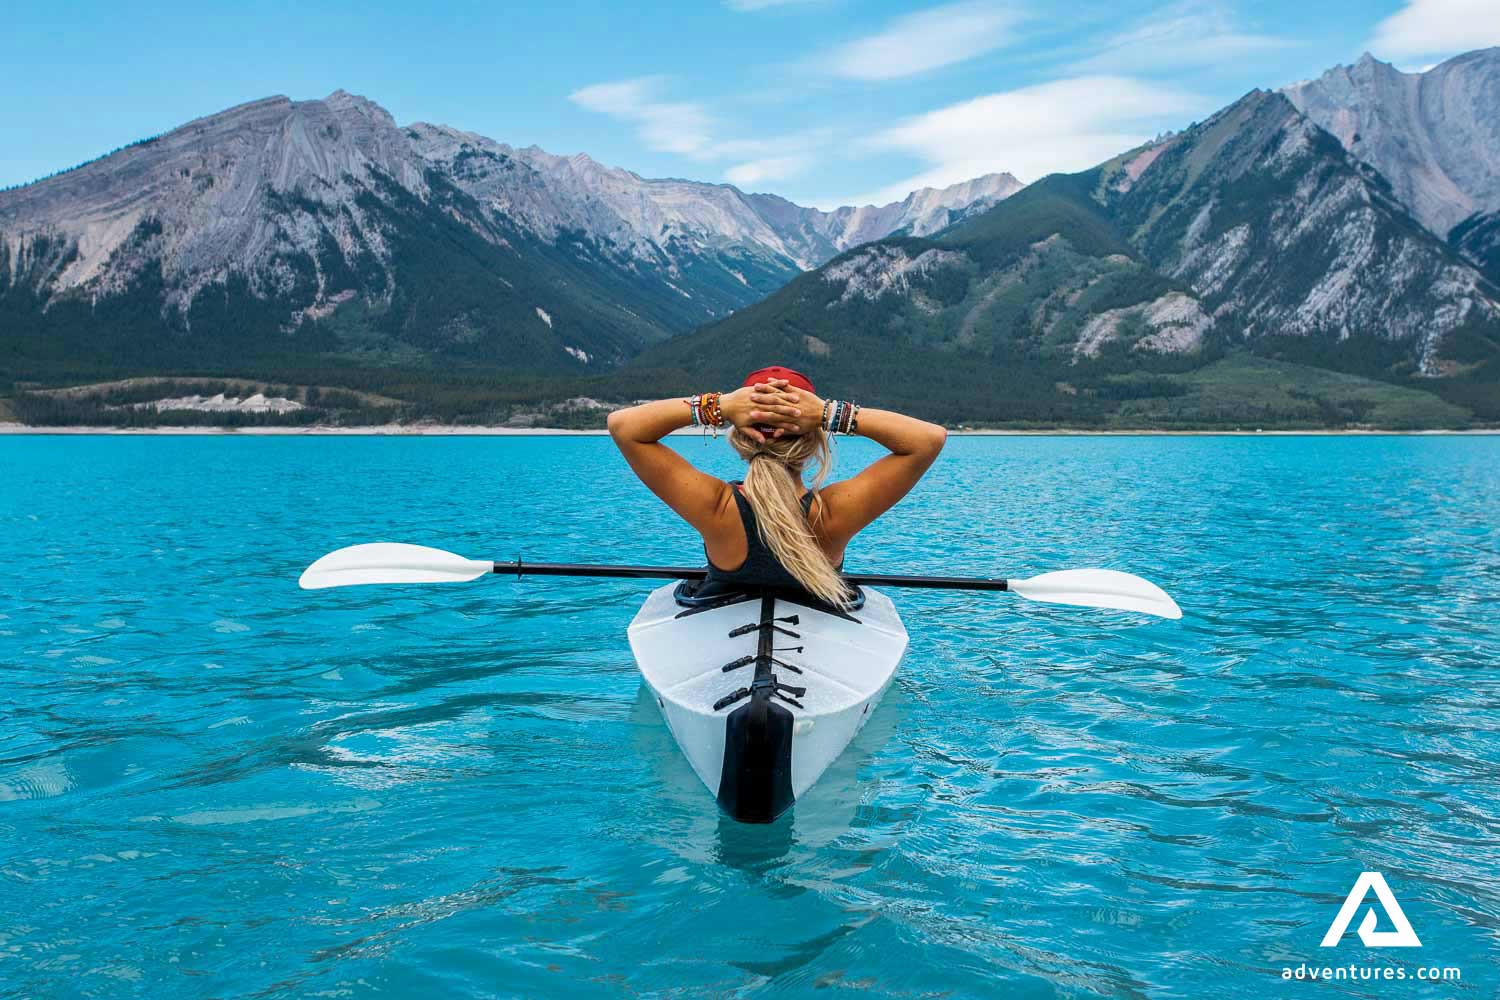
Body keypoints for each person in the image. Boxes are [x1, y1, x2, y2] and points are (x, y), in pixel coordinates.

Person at [606, 366, 946, 606]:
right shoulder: (832, 515)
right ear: (814, 440)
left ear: (740, 435)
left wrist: (719, 405)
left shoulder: (715, 508)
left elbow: (623, 426)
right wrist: (829, 412)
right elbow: (928, 439)